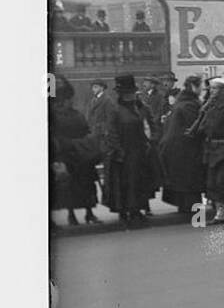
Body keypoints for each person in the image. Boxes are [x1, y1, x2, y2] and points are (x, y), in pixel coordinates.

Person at [101, 74, 157, 226]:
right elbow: (111, 132)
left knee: (138, 183)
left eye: (132, 92)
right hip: (123, 153)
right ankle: (125, 212)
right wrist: (118, 151)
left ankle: (136, 210)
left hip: (138, 151)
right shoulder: (115, 109)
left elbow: (149, 125)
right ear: (122, 94)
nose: (130, 95)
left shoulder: (139, 107)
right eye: (128, 93)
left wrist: (148, 143)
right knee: (124, 184)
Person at [49, 78, 101, 225]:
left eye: (68, 99)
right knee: (69, 187)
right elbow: (55, 137)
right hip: (67, 156)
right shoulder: (55, 117)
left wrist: (88, 142)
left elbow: (86, 130)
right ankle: (71, 215)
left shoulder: (77, 114)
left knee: (87, 185)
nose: (68, 102)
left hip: (82, 156)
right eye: (65, 99)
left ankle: (89, 213)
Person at [158, 74, 206, 214]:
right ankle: (198, 218)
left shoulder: (181, 102)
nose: (201, 90)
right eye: (199, 87)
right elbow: (195, 128)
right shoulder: (190, 105)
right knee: (192, 183)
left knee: (182, 183)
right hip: (185, 149)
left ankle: (185, 211)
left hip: (174, 148)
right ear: (193, 87)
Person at [196, 77, 224, 223]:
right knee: (211, 183)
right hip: (210, 149)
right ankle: (221, 210)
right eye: (211, 89)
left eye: (215, 89)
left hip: (223, 148)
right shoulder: (209, 106)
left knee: (221, 181)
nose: (212, 92)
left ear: (222, 90)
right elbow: (204, 126)